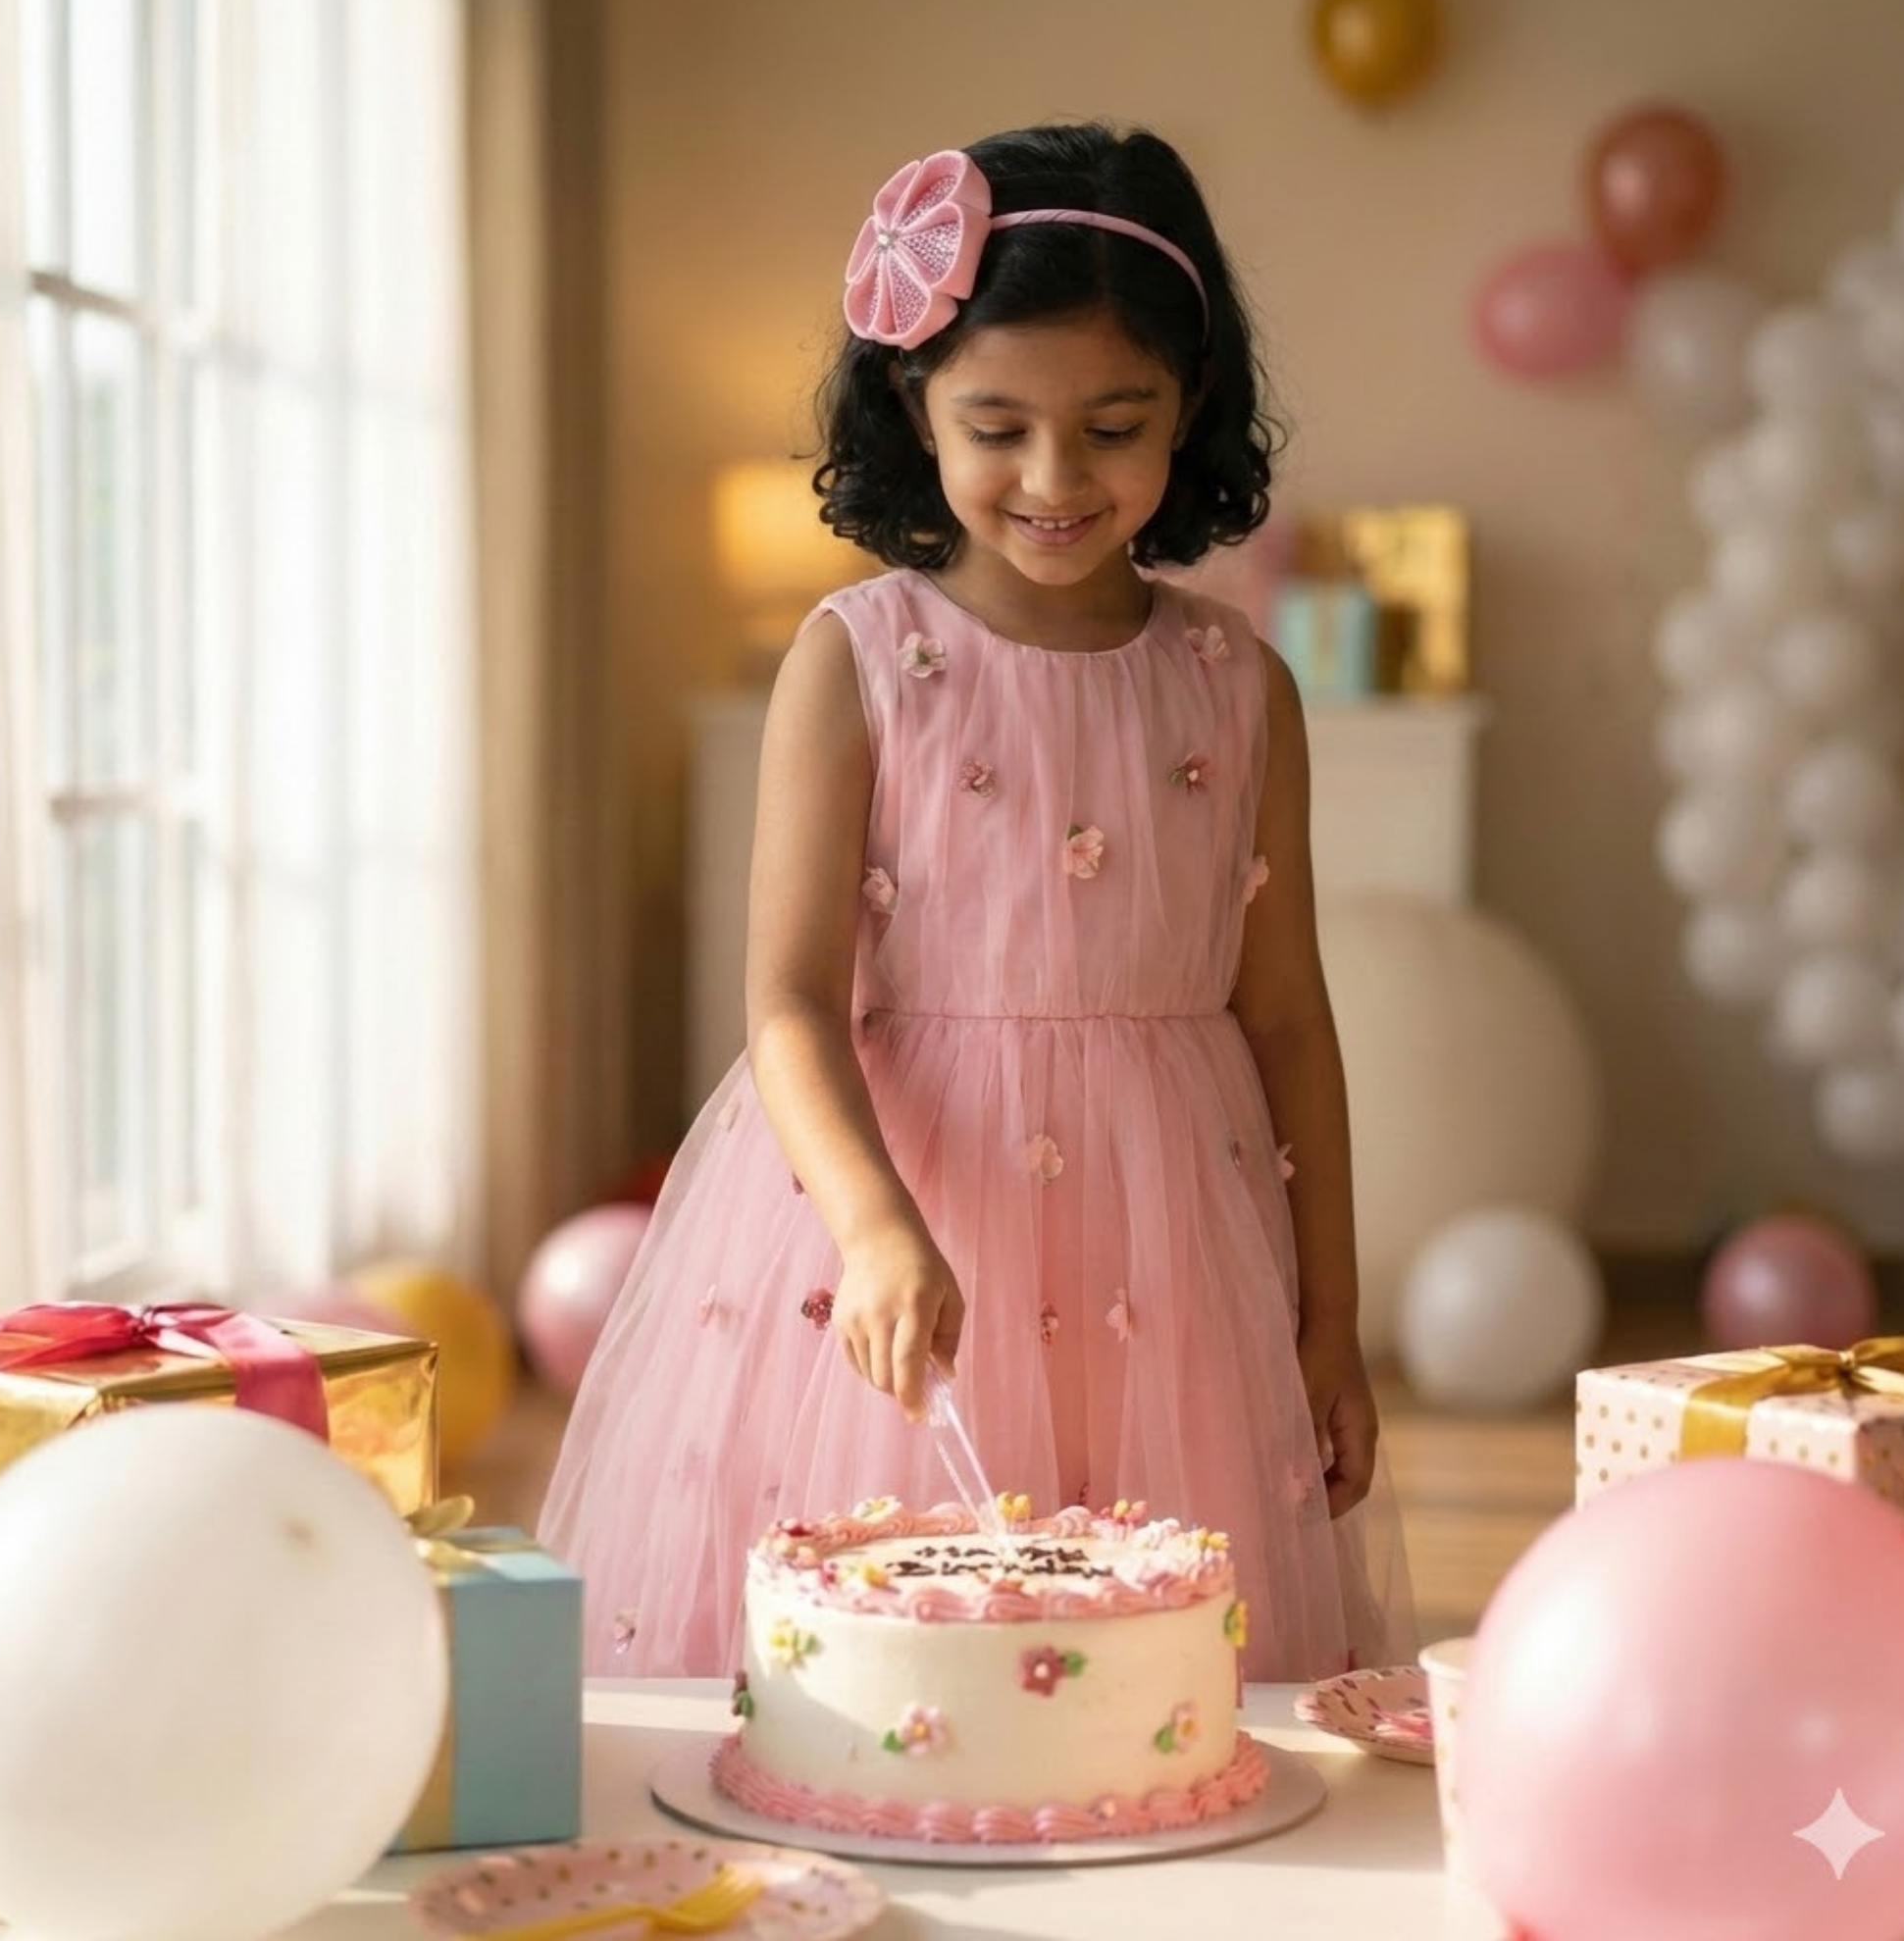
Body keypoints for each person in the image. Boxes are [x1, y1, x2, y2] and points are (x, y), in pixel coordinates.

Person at [540, 120, 1415, 1681]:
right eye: (998, 426)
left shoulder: (1238, 687)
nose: (1056, 479)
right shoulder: (859, 661)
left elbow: (1285, 1014)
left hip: (1177, 1237)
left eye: (1114, 425)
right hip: (902, 1199)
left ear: (1189, 408)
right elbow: (790, 1002)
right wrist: (875, 1232)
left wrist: (1331, 1319)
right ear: (914, 402)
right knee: (893, 1634)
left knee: (1156, 1658)